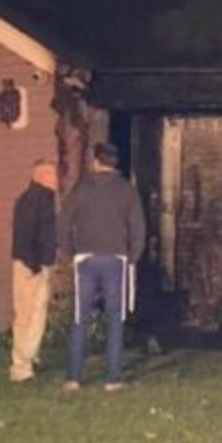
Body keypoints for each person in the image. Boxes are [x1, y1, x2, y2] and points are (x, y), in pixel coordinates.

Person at [60, 141, 146, 391]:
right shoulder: (126, 190)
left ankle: (73, 377)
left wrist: (69, 252)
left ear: (96, 161)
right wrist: (133, 256)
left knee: (80, 317)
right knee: (115, 319)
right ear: (115, 162)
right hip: (115, 260)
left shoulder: (82, 188)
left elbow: (64, 221)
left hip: (85, 258)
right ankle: (112, 379)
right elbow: (138, 226)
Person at [9, 159, 58, 383]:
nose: (56, 179)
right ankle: (22, 366)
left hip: (34, 264)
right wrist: (35, 266)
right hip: (32, 267)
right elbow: (25, 236)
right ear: (40, 176)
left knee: (31, 315)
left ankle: (28, 358)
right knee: (29, 316)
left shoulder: (38, 199)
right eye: (51, 174)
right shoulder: (34, 201)